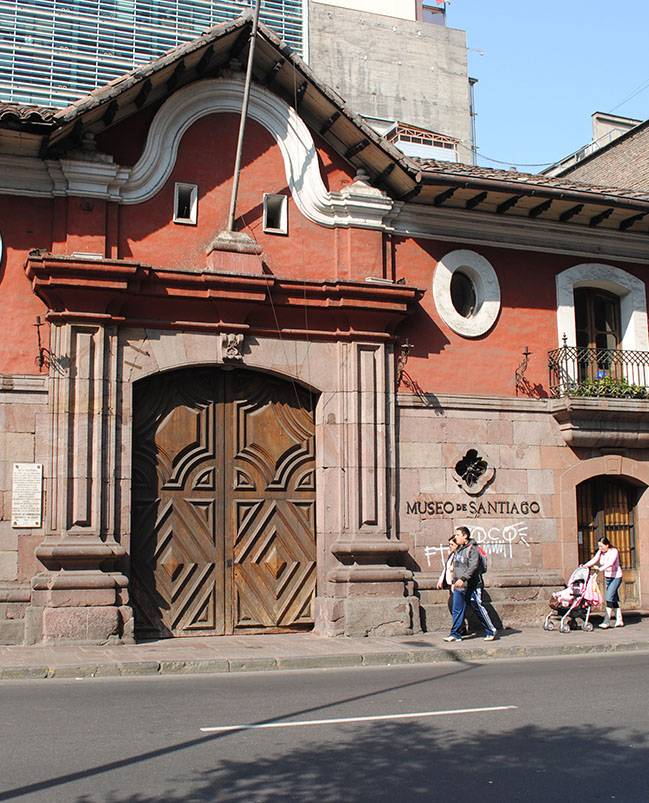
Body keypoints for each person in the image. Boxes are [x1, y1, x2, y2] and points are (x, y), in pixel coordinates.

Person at [443, 526, 497, 643]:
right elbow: (456, 567)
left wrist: (463, 578)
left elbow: (473, 566)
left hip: (472, 586)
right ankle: (455, 634)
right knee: (457, 609)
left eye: (458, 535)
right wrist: (454, 582)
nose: (456, 537)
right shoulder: (459, 549)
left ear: (465, 536)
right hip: (459, 586)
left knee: (478, 608)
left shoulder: (473, 549)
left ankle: (491, 630)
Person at [584, 537, 624, 628]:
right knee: (613, 598)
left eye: (602, 546)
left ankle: (606, 621)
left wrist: (600, 569)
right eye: (599, 547)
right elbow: (594, 559)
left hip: (616, 577)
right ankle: (619, 619)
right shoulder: (601, 552)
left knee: (609, 597)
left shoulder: (614, 551)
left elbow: (610, 563)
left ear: (607, 545)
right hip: (608, 577)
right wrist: (585, 566)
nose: (600, 549)